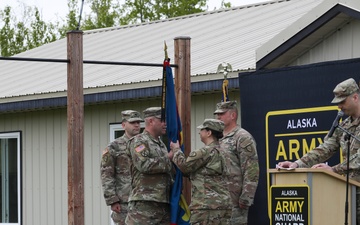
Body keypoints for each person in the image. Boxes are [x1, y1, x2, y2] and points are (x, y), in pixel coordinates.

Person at [277, 78, 360, 223]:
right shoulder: (344, 125)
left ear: (355, 97)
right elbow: (325, 148)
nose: (339, 106)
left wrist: (333, 169)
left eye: (342, 102)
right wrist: (297, 164)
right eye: (338, 103)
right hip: (350, 194)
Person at [169, 118, 232, 225]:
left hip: (206, 206)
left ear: (209, 133)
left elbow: (184, 166)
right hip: (224, 205)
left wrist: (176, 150)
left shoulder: (204, 152)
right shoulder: (226, 151)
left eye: (202, 130)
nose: (199, 132)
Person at [125, 107, 174, 225]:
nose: (165, 124)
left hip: (162, 202)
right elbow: (144, 164)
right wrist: (169, 158)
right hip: (144, 204)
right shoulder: (139, 141)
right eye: (162, 120)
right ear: (151, 121)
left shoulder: (160, 144)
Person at [214, 101, 259, 225]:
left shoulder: (242, 137)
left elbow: (251, 169)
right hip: (218, 199)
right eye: (217, 114)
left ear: (233, 115)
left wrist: (246, 197)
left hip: (235, 199)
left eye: (222, 114)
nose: (218, 117)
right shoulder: (217, 138)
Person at [100, 110, 143, 225]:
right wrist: (112, 200)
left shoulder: (144, 145)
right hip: (124, 201)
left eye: (138, 122)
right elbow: (106, 175)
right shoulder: (114, 147)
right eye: (133, 122)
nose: (137, 125)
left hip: (143, 199)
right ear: (123, 125)